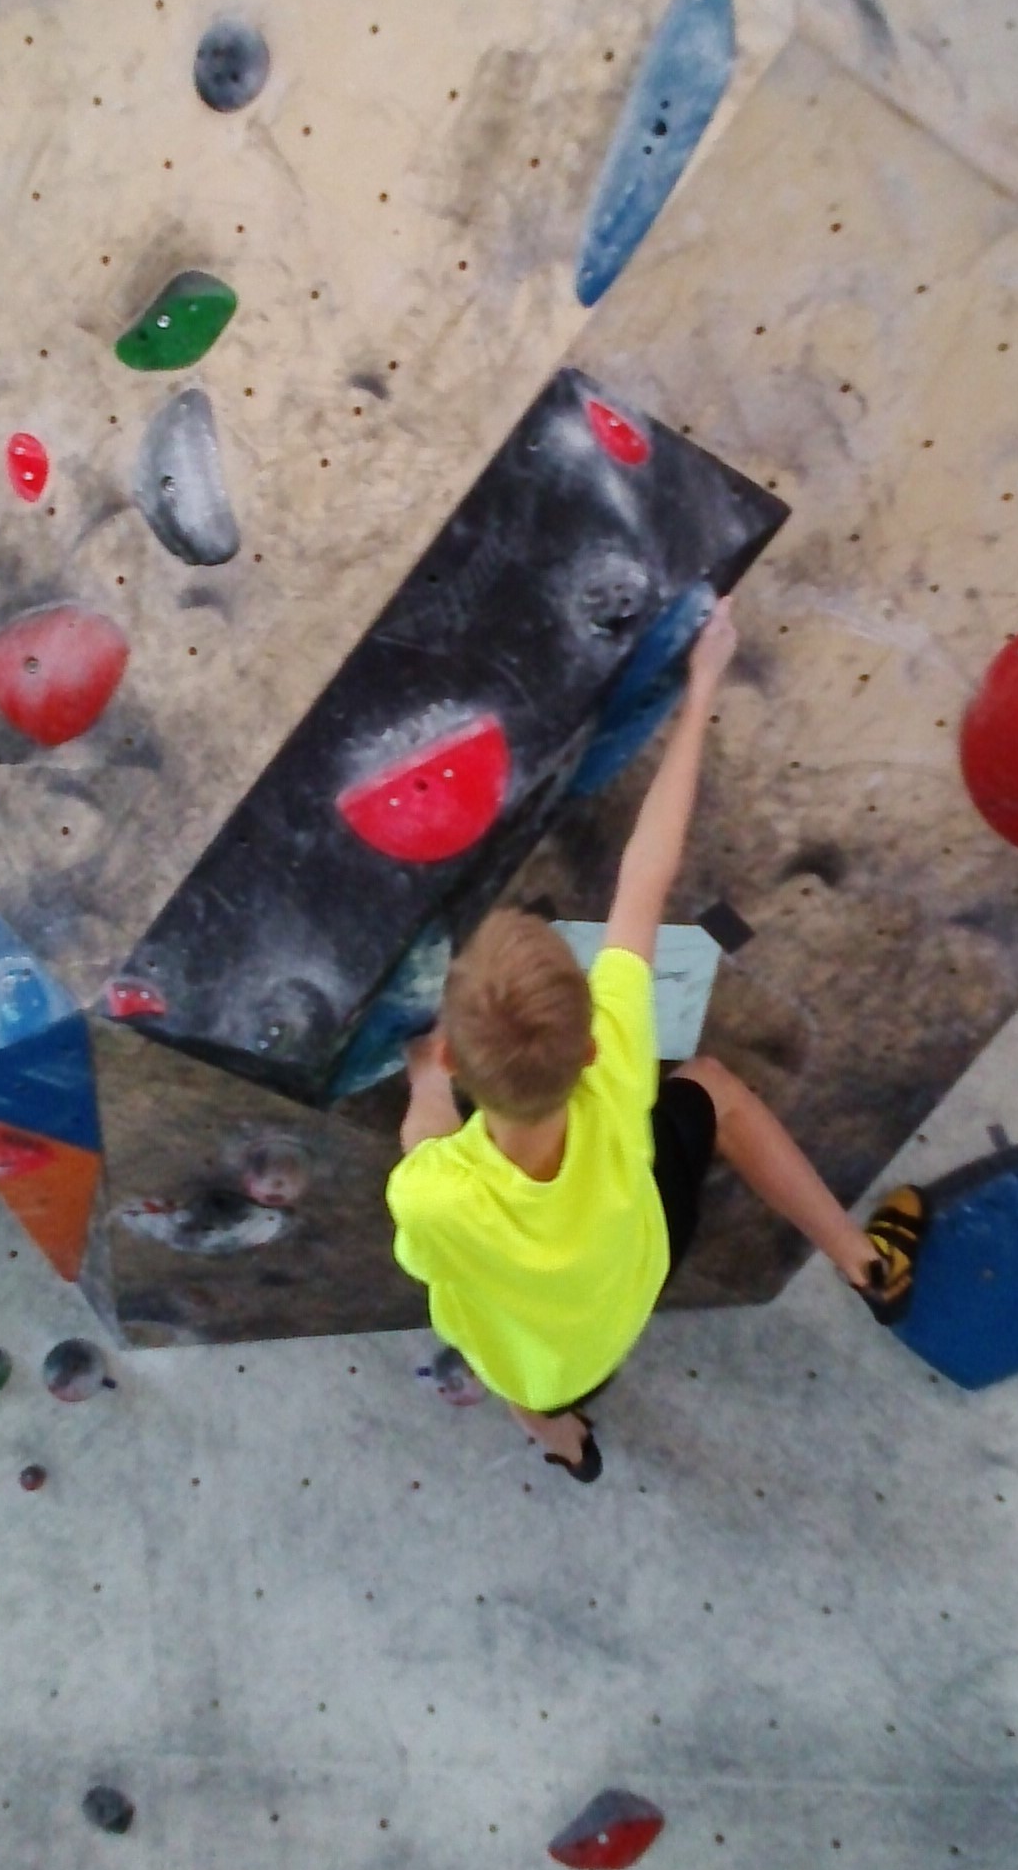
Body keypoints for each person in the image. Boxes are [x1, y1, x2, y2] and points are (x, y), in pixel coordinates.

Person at [385, 596, 924, 1481]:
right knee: (709, 1087)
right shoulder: (617, 1061)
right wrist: (702, 683)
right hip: (636, 1266)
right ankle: (867, 1266)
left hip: (552, 1363)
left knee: (515, 1364)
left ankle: (568, 1448)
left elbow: (424, 1139)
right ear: (590, 1044)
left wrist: (421, 1077)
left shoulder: (436, 1193)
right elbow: (649, 871)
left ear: (452, 1054)